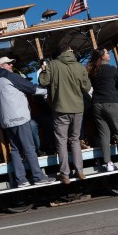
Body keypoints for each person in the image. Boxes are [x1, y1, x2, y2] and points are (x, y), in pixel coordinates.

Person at [0, 56, 54, 187]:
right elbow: (31, 88)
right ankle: (38, 176)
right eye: (8, 64)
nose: (11, 66)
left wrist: (1, 119)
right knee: (29, 148)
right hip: (19, 117)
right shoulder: (10, 76)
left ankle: (21, 180)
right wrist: (48, 91)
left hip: (6, 121)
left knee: (15, 149)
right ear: (1, 66)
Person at [38, 42, 92, 184]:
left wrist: (44, 70)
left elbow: (43, 82)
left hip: (60, 108)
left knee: (61, 141)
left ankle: (65, 174)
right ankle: (80, 170)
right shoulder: (79, 66)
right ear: (70, 50)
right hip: (78, 108)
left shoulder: (52, 65)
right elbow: (87, 87)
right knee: (74, 140)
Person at [86, 48, 118, 172]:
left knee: (104, 135)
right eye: (107, 53)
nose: (109, 54)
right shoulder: (111, 69)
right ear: (102, 57)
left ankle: (108, 163)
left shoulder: (93, 71)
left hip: (96, 104)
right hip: (111, 102)